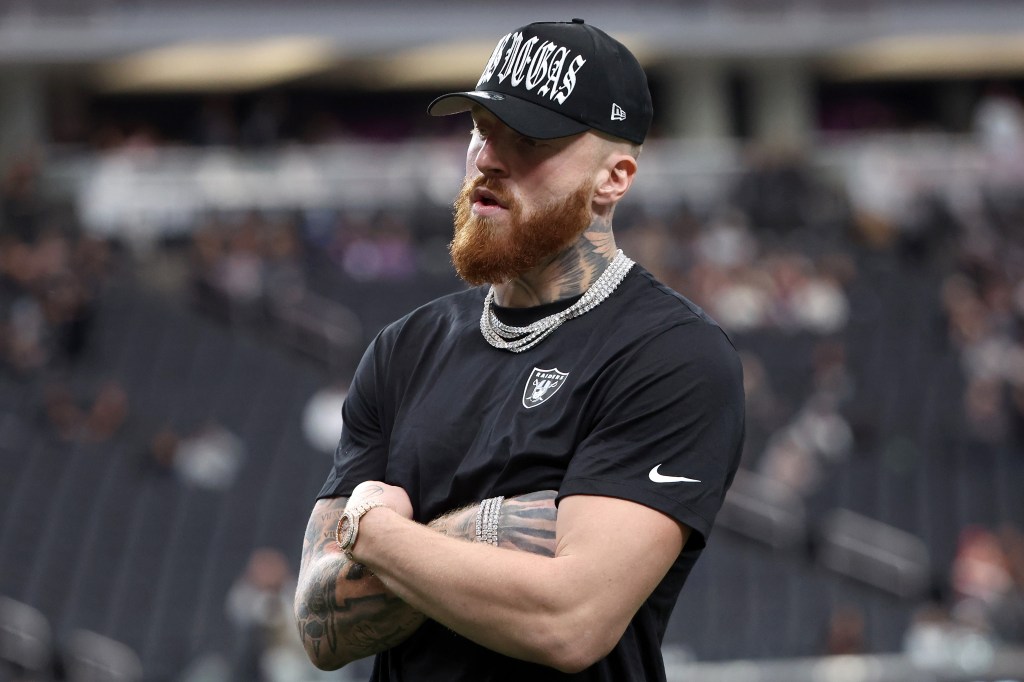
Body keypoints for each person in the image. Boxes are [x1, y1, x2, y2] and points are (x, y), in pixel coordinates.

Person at [294, 18, 745, 682]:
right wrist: (501, 528)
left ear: (613, 178)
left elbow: (568, 622)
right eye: (482, 129)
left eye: (530, 138)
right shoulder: (404, 349)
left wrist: (376, 533)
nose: (487, 158)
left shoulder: (671, 356)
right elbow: (319, 626)